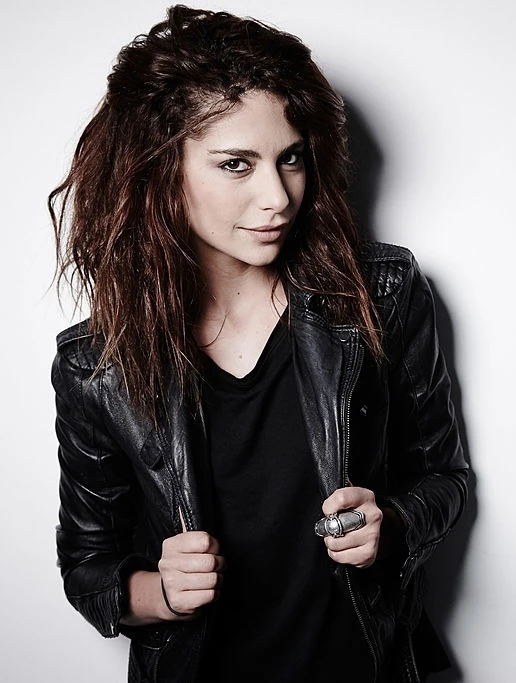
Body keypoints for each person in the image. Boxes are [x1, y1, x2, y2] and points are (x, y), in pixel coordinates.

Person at [49, 5, 468, 682]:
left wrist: (389, 523)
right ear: (161, 170)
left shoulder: (381, 295)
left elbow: (444, 478)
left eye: (290, 158)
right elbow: (87, 565)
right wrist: (161, 592)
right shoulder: (97, 366)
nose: (278, 196)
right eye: (236, 164)